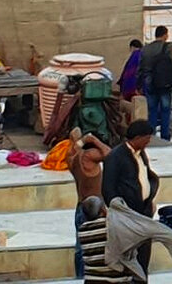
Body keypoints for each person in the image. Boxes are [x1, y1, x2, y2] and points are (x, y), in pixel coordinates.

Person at [102, 121, 160, 273]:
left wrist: (149, 200)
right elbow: (108, 189)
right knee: (129, 257)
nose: (149, 142)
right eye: (147, 138)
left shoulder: (141, 154)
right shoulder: (115, 157)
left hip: (144, 212)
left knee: (144, 254)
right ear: (138, 138)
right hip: (128, 215)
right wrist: (121, 213)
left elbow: (144, 176)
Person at [68, 127, 110, 278]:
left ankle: (80, 277)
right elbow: (110, 154)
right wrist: (94, 140)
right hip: (94, 209)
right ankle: (84, 276)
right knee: (88, 247)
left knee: (80, 245)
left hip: (80, 208)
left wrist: (80, 141)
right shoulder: (89, 157)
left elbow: (73, 149)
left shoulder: (73, 158)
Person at [139, 26, 172, 142]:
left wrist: (139, 85)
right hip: (164, 83)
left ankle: (151, 137)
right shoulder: (168, 47)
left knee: (152, 110)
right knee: (165, 111)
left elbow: (140, 68)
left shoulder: (145, 49)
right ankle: (165, 137)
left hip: (149, 82)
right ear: (165, 35)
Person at [75, 196, 130, 283]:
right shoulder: (113, 226)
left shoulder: (82, 230)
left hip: (92, 280)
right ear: (103, 210)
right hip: (117, 280)